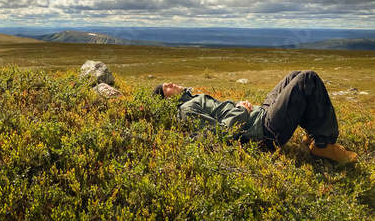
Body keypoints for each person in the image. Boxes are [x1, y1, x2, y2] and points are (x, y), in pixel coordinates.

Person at [152, 70, 358, 164]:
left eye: (168, 83)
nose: (170, 84)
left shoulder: (192, 98)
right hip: (265, 131)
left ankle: (312, 136)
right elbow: (219, 133)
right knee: (308, 79)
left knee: (293, 76)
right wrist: (241, 109)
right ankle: (324, 145)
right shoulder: (186, 110)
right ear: (165, 100)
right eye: (165, 88)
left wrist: (241, 108)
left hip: (260, 115)